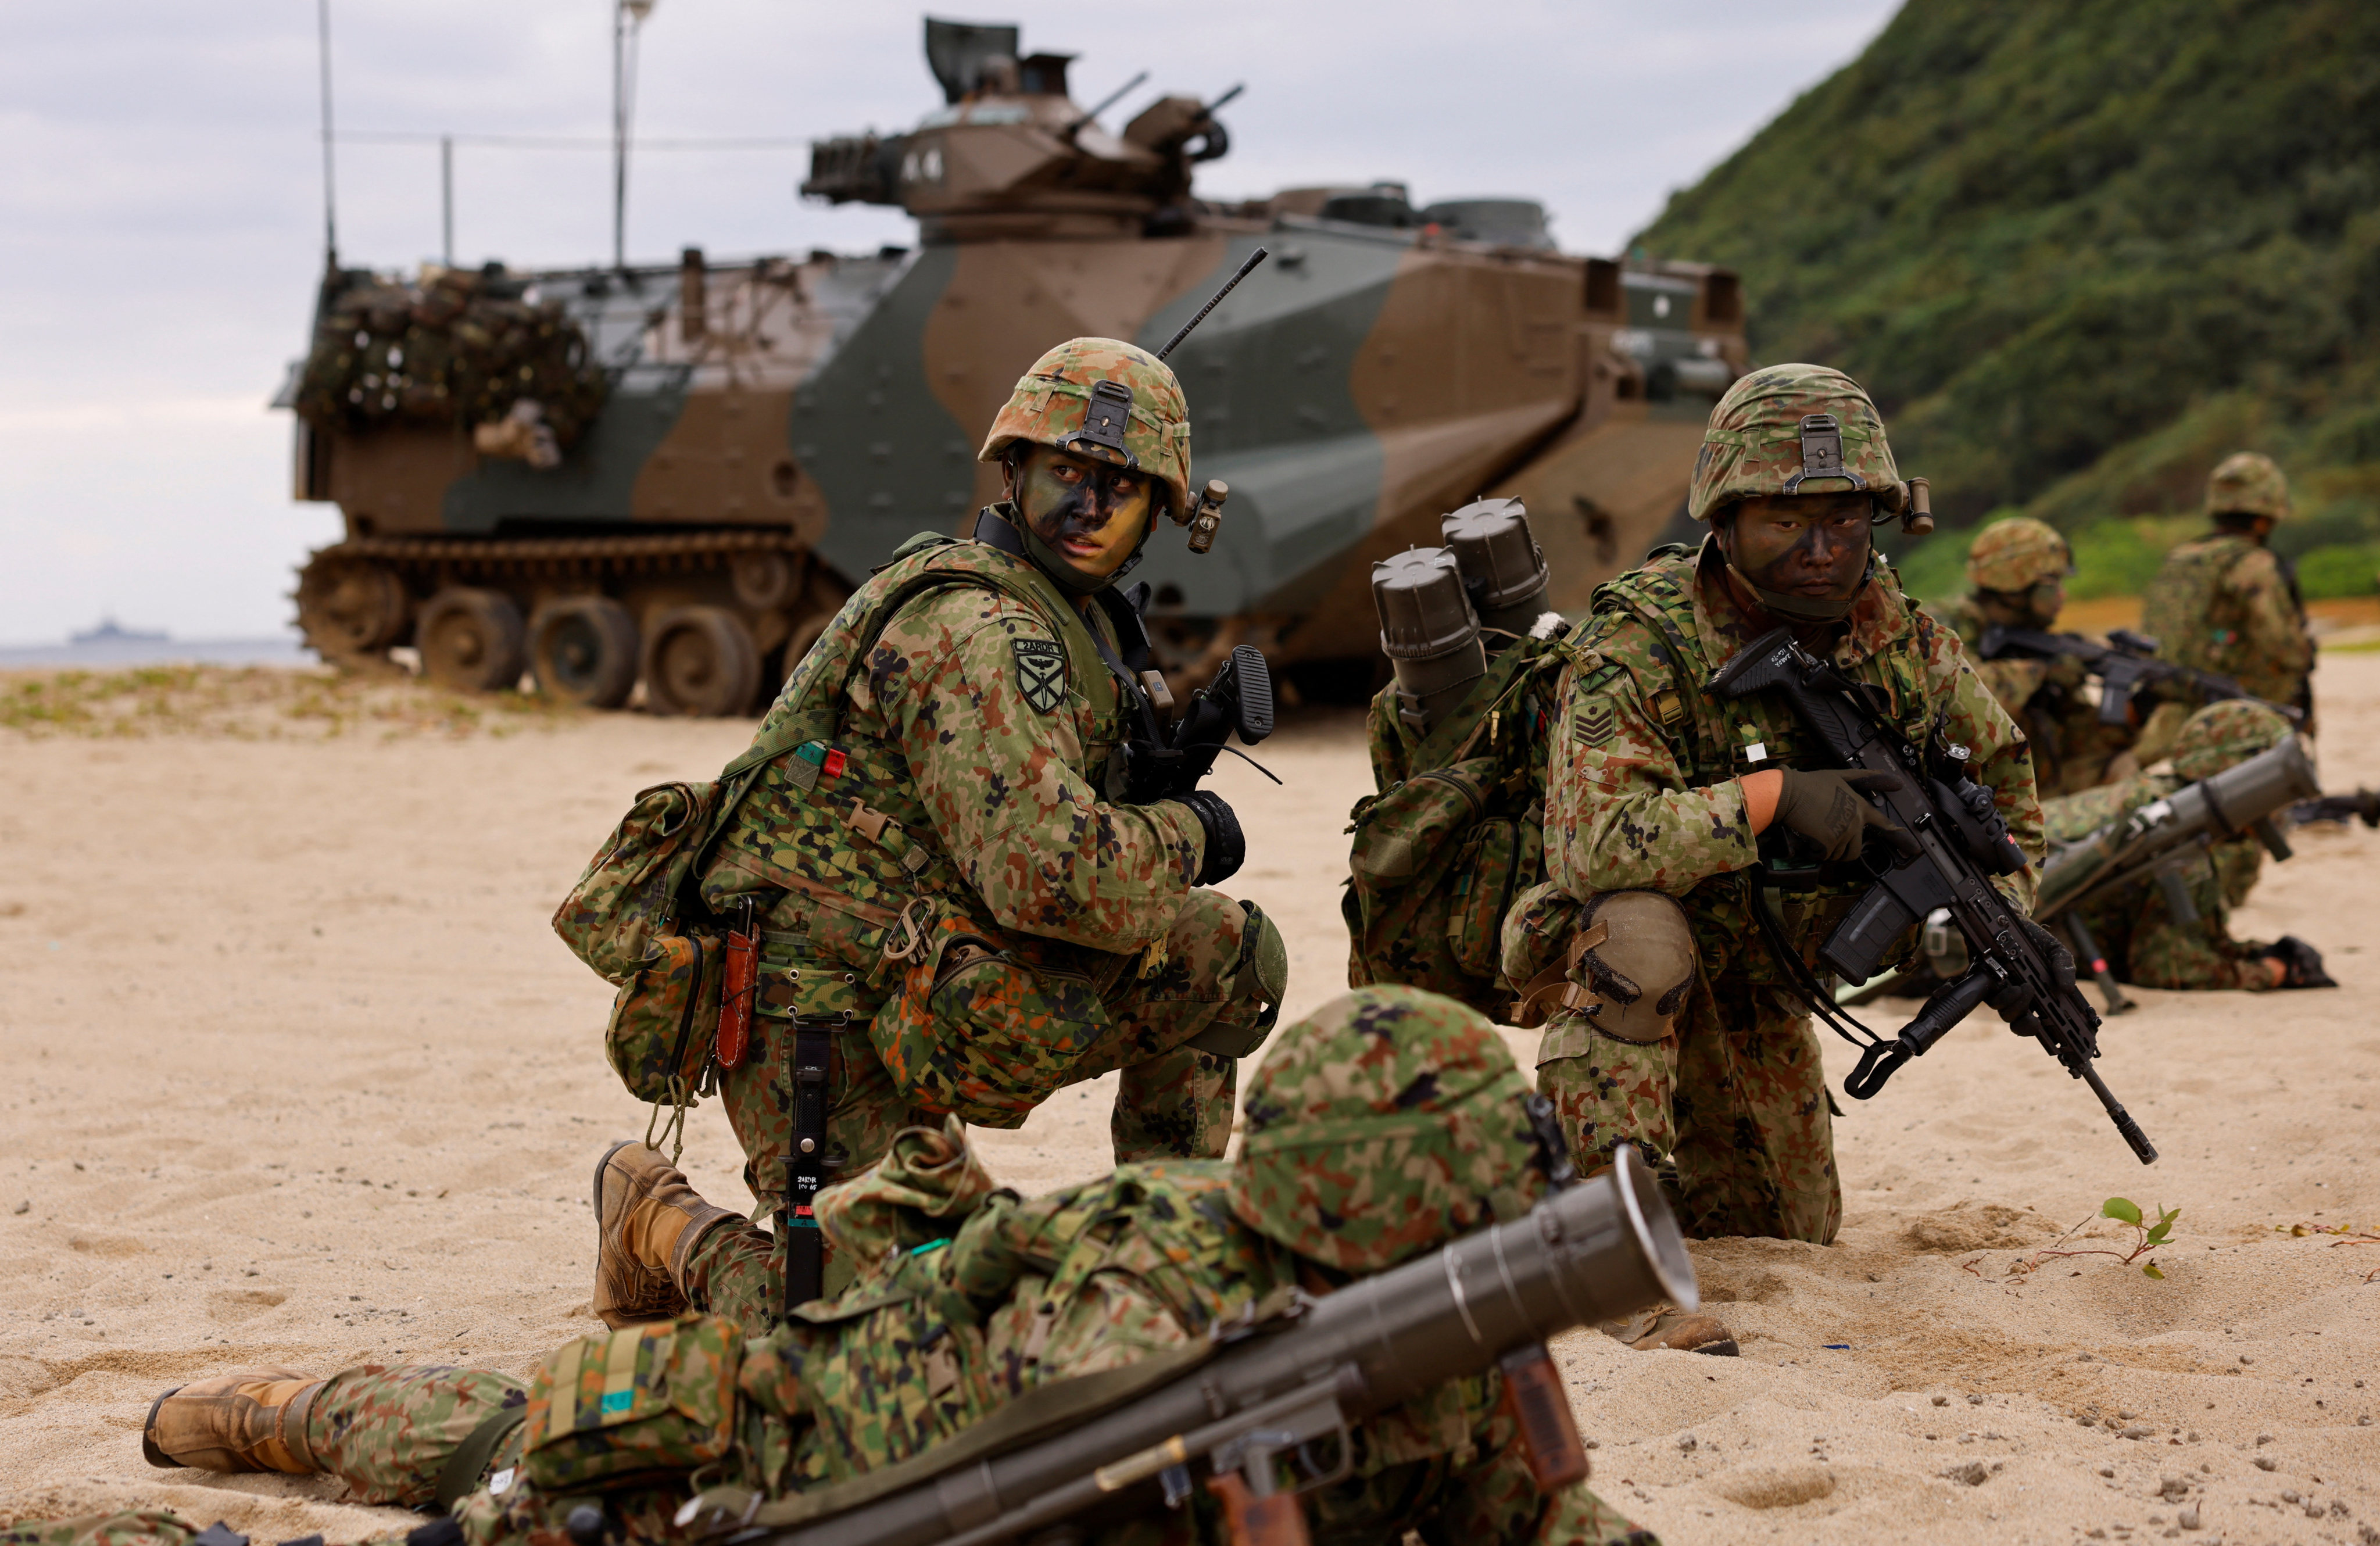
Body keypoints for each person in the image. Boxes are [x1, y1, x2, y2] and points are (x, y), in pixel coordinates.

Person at [124, 988, 1660, 1546]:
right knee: (474, 1436)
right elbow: (1071, 1452)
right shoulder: (1148, 1301)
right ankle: (244, 1404)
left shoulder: (1429, 1318)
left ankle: (658, 1225)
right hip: (769, 1453)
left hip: (877, 1324)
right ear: (1385, 1200)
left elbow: (1522, 1510)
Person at [620, 337, 1286, 1329]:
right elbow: (1050, 881)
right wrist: (1191, 826)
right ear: (1013, 471)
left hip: (920, 979)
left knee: (1222, 952)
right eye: (1068, 472)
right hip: (821, 1022)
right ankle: (665, 1228)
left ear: (1163, 510)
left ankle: (1166, 1252)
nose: (1091, 506)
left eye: (1123, 485)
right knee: (894, 1334)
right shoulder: (977, 628)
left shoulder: (1077, 620)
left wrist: (1151, 784)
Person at [1517, 364, 2040, 1297]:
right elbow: (1592, 843)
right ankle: (1594, 1237)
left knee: (1789, 1233)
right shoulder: (1642, 643)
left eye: (1843, 521)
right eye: (1784, 523)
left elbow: (2006, 784)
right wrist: (1766, 802)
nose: (1819, 550)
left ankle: (1598, 1174)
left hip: (1767, 979)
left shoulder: (1901, 637)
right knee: (1637, 933)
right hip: (1623, 954)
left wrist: (1993, 910)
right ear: (1722, 522)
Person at [2045, 700, 2332, 992]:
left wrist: (2251, 954)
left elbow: (2190, 939)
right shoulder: (2176, 835)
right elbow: (2170, 970)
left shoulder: (2156, 799)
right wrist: (2272, 973)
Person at [1930, 516, 2138, 797]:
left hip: (2038, 793)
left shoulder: (2027, 637)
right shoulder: (1941, 627)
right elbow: (1961, 701)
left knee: (2128, 774)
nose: (2062, 595)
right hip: (1978, 807)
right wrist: (2041, 672)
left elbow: (2081, 743)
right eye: (2052, 584)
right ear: (2016, 586)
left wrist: (2136, 713)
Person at [2135, 451, 2315, 762]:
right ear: (2265, 517)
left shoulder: (2182, 558)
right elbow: (2284, 648)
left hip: (2166, 715)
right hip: (2236, 721)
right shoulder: (2253, 563)